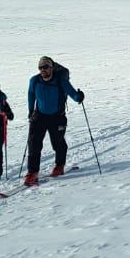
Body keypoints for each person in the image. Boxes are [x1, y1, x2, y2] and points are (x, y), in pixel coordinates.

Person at [25, 56, 84, 186]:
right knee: (34, 144)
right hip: (39, 116)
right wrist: (30, 111)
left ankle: (60, 165)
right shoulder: (34, 80)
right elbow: (31, 95)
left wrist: (79, 97)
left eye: (46, 67)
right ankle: (32, 172)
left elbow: (72, 93)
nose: (43, 70)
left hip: (57, 116)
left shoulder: (60, 81)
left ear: (51, 68)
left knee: (58, 143)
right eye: (40, 67)